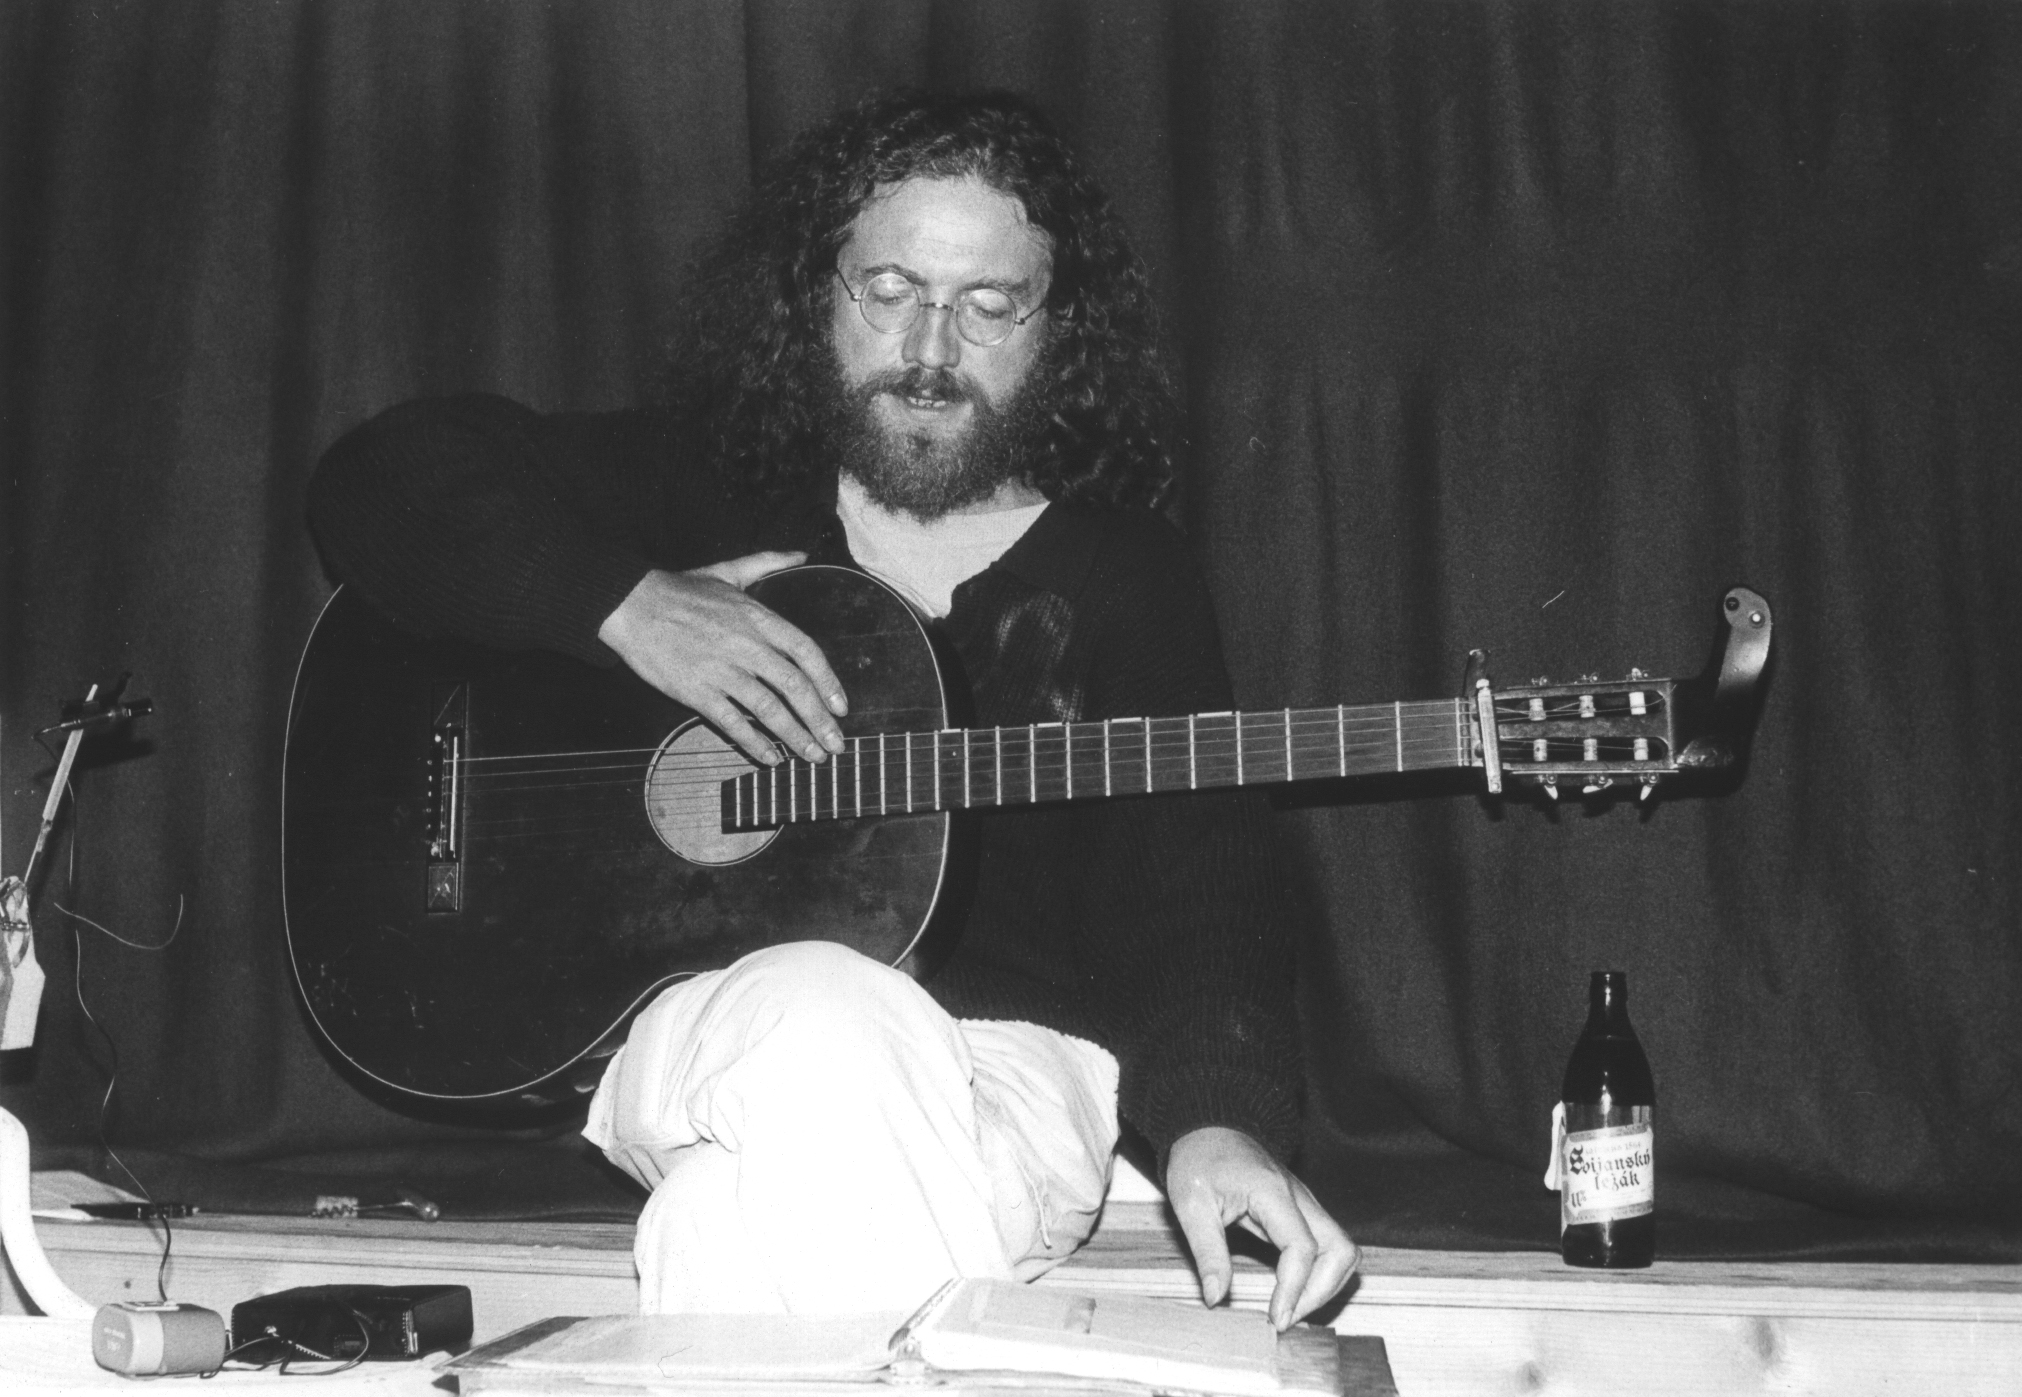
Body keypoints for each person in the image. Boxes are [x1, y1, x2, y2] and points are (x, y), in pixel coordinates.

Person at [308, 90, 1356, 1328]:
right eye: (890, 289)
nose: (930, 348)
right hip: (717, 1026)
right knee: (819, 1005)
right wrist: (626, 605)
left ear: (1056, 330)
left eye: (987, 305)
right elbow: (377, 481)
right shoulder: (708, 491)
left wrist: (1221, 1118)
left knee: (716, 1221)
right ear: (820, 295)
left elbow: (1202, 875)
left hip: (1011, 1075)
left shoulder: (1124, 575)